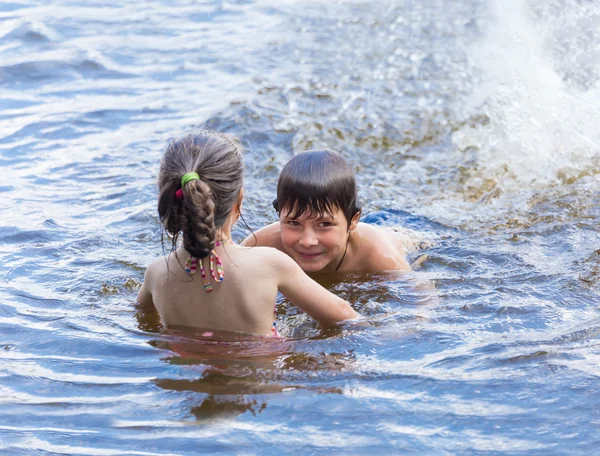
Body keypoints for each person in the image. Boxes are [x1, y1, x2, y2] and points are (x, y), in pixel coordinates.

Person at [137, 132, 358, 337]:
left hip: (182, 379)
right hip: (257, 379)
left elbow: (144, 320)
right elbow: (345, 318)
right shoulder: (270, 264)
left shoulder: (156, 274)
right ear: (238, 201)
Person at [242, 149, 412, 273]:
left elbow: (421, 305)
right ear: (279, 214)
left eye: (324, 224)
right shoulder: (259, 246)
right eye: (294, 223)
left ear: (353, 220)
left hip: (399, 228)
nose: (308, 241)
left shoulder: (378, 255)